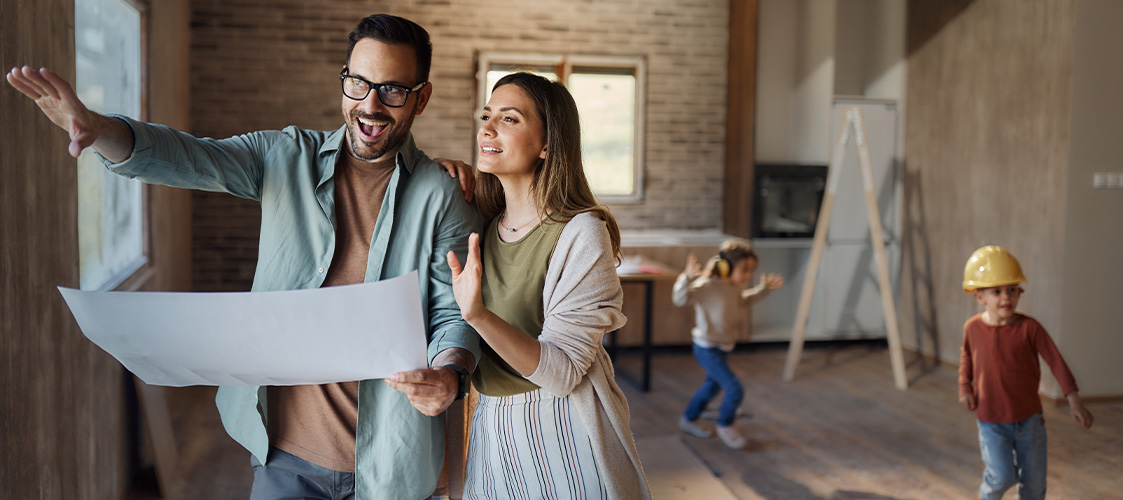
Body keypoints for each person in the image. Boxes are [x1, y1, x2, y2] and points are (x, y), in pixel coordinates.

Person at [8, 14, 483, 500]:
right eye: (358, 83)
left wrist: (449, 375)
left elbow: (454, 311)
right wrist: (98, 129)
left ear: (422, 97)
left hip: (392, 468)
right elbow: (187, 156)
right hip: (285, 462)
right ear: (344, 79)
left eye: (393, 90)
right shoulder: (284, 156)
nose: (371, 105)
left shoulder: (441, 195)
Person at [433, 72, 651, 498]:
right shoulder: (486, 225)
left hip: (561, 428)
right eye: (486, 115)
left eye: (510, 119)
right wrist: (435, 174)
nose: (488, 128)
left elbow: (563, 372)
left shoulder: (581, 233)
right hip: (490, 426)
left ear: (548, 144)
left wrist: (476, 315)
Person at [958, 245, 1093, 500]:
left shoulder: (1029, 328)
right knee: (1001, 476)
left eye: (1012, 289)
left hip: (1030, 421)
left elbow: (1056, 361)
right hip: (991, 422)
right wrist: (965, 387)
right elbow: (967, 356)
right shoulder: (972, 328)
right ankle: (986, 496)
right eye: (996, 291)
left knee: (1034, 484)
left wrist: (1073, 399)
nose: (1006, 297)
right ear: (979, 297)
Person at [672, 240, 784, 449]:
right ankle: (726, 425)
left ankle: (689, 419)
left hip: (723, 347)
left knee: (711, 387)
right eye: (744, 270)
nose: (748, 275)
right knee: (734, 388)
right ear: (725, 266)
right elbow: (680, 299)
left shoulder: (733, 288)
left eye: (751, 271)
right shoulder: (706, 286)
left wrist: (763, 289)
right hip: (706, 347)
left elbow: (744, 300)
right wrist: (686, 277)